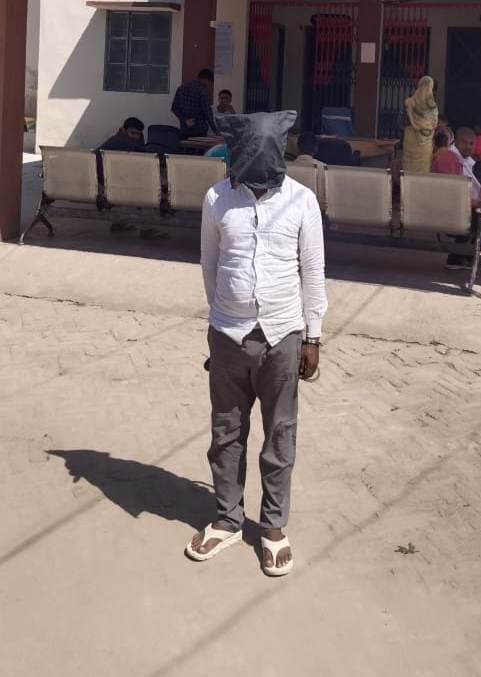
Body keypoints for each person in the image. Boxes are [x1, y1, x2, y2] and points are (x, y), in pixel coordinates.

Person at [186, 111, 328, 577]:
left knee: (280, 434)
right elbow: (210, 264)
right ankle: (227, 518)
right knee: (226, 432)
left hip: (282, 335)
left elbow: (313, 270)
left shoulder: (302, 200)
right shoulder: (217, 198)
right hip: (228, 335)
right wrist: (221, 321)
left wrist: (312, 336)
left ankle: (272, 526)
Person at [432, 127, 481, 270]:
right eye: (464, 143)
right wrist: (478, 203)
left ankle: (458, 259)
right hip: (447, 213)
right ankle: (465, 258)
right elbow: (453, 194)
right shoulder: (448, 159)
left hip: (457, 210)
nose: (468, 147)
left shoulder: (460, 158)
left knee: (477, 219)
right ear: (456, 141)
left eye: (471, 143)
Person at [402, 76, 438, 173]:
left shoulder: (409, 102)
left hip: (410, 138)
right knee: (423, 167)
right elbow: (434, 124)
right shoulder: (432, 106)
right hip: (424, 141)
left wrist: (414, 122)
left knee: (408, 165)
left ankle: (407, 181)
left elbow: (402, 121)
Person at [171, 69, 217, 139]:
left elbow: (174, 108)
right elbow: (207, 112)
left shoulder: (181, 88)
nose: (209, 85)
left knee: (185, 146)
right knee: (198, 146)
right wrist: (215, 130)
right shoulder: (203, 90)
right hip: (199, 130)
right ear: (207, 80)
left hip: (185, 129)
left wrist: (184, 120)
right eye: (210, 83)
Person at [294, 131, 327, 212]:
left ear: (297, 147)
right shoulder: (323, 167)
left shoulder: (287, 167)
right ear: (316, 149)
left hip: (293, 211)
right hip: (316, 211)